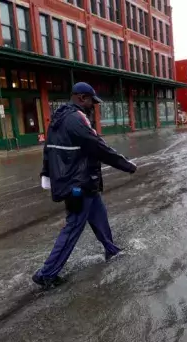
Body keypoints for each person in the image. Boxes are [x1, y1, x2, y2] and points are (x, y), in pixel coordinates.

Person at [33, 82, 137, 288]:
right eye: (91, 101)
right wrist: (127, 165)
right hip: (77, 183)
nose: (93, 106)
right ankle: (47, 274)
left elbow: (49, 149)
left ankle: (111, 250)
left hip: (83, 181)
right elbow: (98, 147)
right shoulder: (75, 119)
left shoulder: (60, 117)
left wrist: (46, 173)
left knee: (99, 216)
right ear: (81, 98)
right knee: (73, 228)